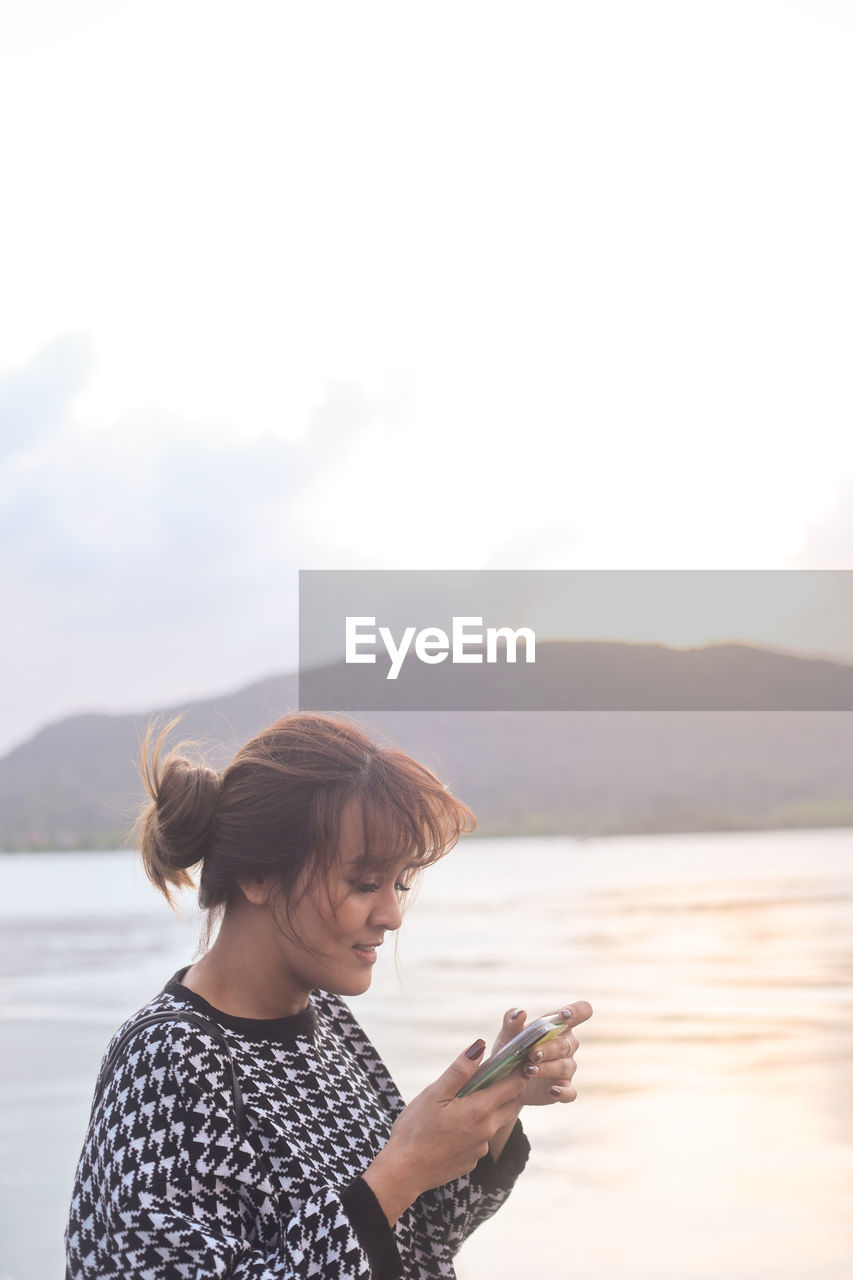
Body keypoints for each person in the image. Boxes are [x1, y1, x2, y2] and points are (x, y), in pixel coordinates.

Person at [65, 712, 592, 1279]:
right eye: (365, 883)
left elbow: (420, 1242)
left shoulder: (329, 1021)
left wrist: (497, 1106)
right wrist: (400, 1171)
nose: (391, 915)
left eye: (400, 883)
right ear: (260, 877)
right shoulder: (168, 1061)